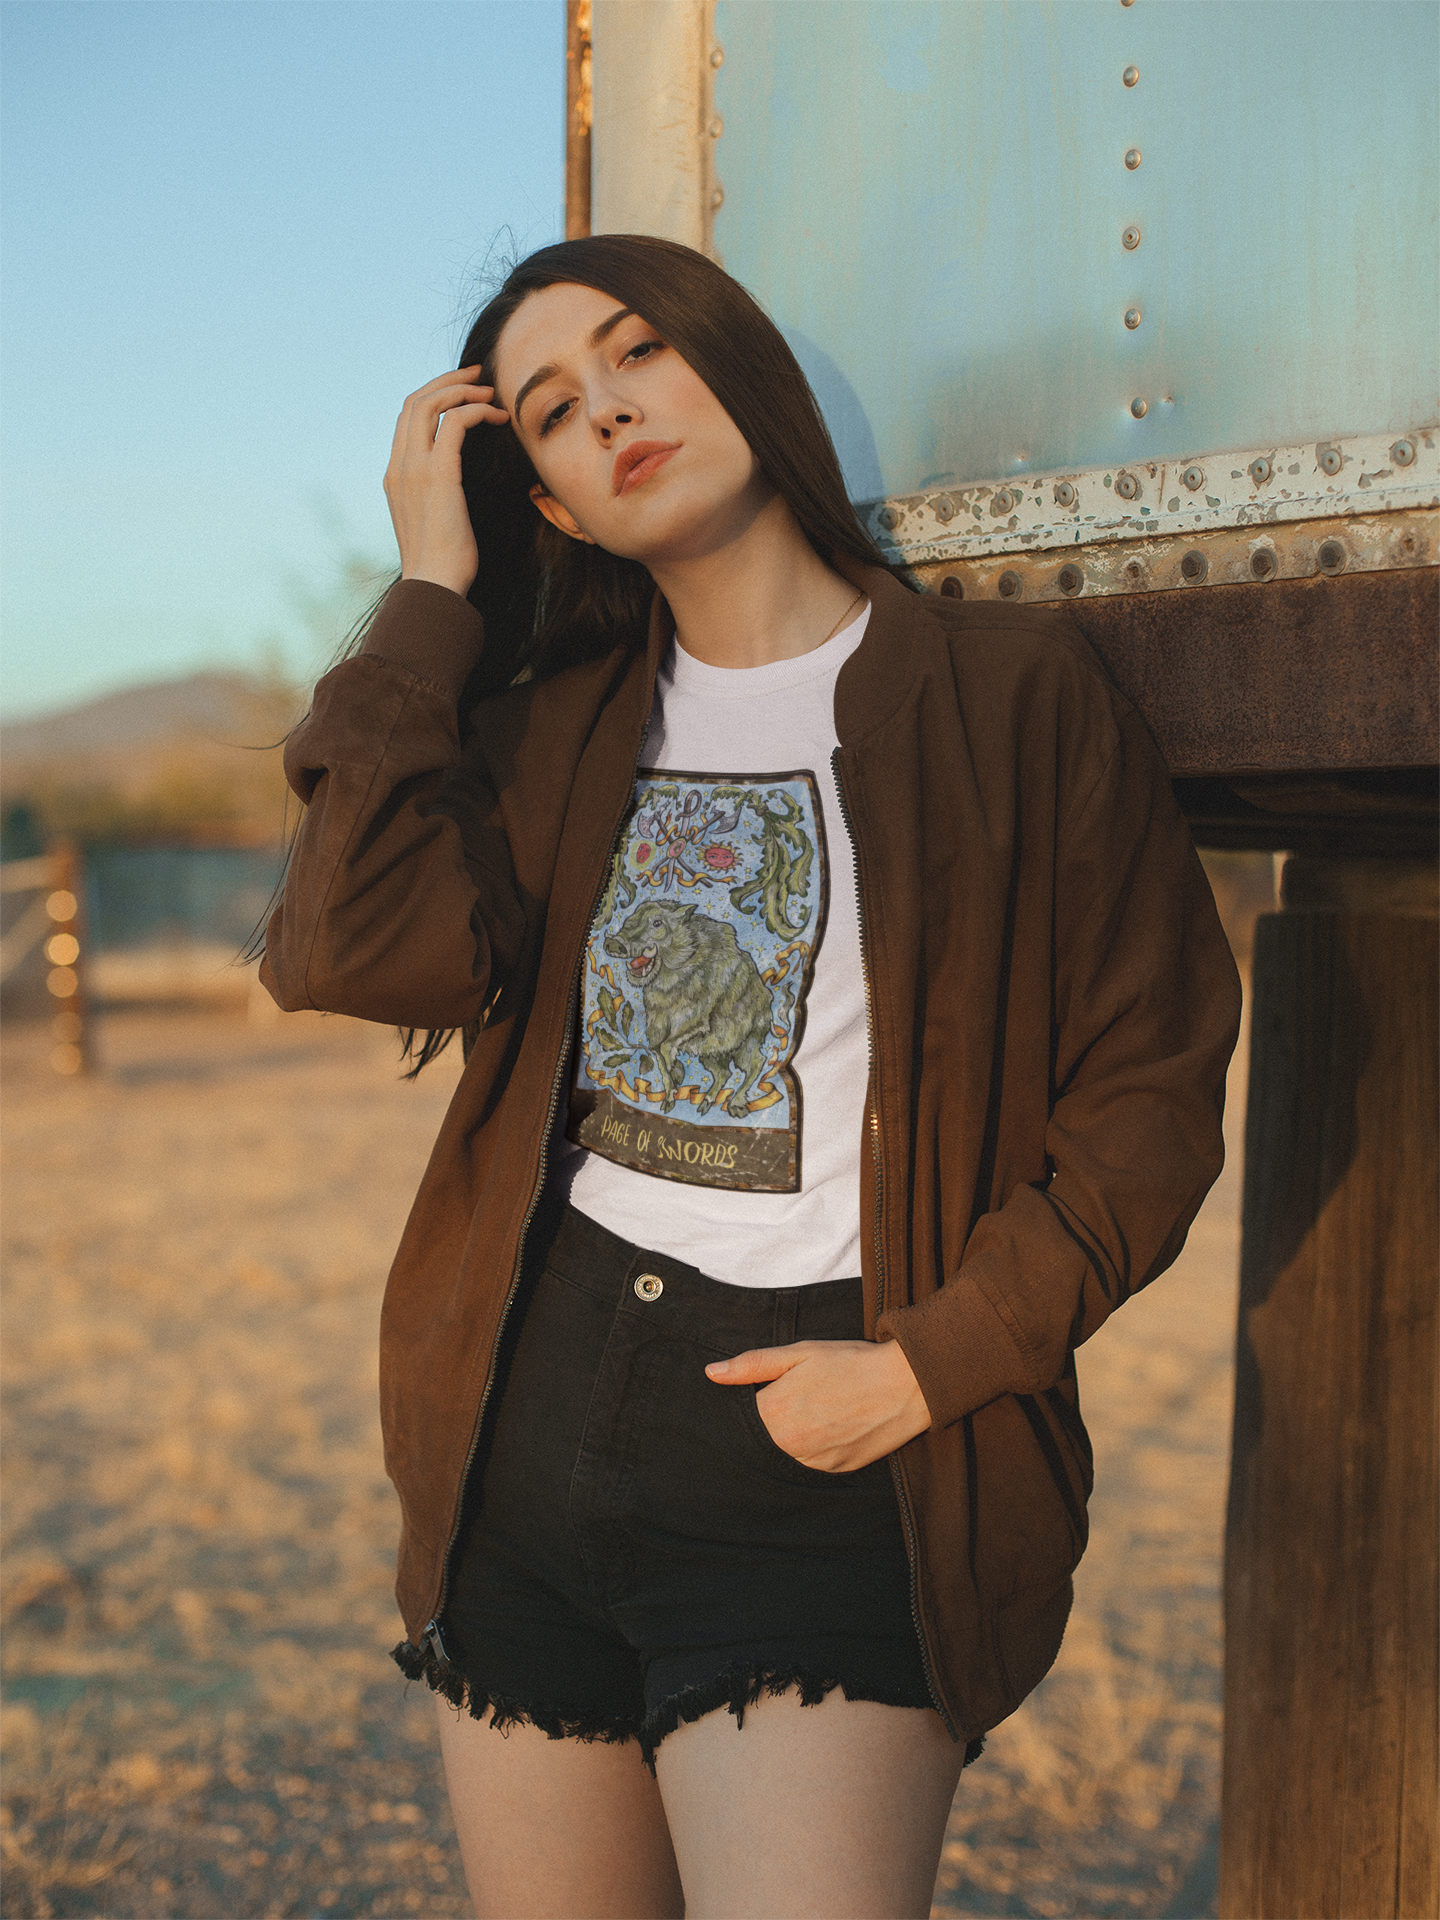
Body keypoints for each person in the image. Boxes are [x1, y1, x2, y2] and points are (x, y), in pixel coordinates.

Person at [261, 234, 1241, 1919]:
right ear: (553, 502)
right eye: (557, 412)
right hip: (531, 1429)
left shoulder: (1010, 700)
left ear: (737, 362)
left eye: (640, 351)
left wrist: (935, 1364)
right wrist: (433, 588)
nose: (612, 409)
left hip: (832, 1453)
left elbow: (1149, 1091)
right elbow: (341, 951)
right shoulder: (555, 726)